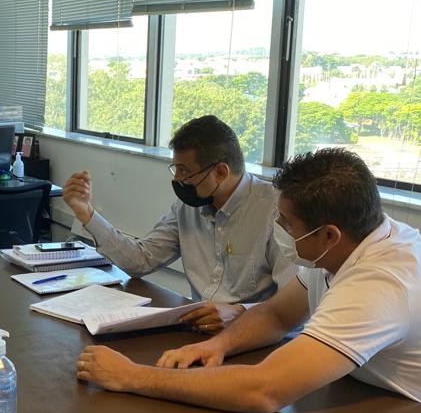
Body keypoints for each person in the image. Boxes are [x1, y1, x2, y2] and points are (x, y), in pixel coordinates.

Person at [76, 148, 421, 413]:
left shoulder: (385, 280)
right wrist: (218, 346)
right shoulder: (347, 245)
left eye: (287, 223)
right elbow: (277, 316)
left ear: (329, 234)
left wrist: (132, 376)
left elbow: (265, 390)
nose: (280, 229)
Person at [63, 115, 293, 333]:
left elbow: (294, 302)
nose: (177, 179)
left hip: (255, 336)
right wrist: (87, 213)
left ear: (221, 172)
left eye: (185, 171)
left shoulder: (276, 211)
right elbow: (141, 260)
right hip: (198, 331)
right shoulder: (187, 207)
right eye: (176, 169)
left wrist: (239, 312)